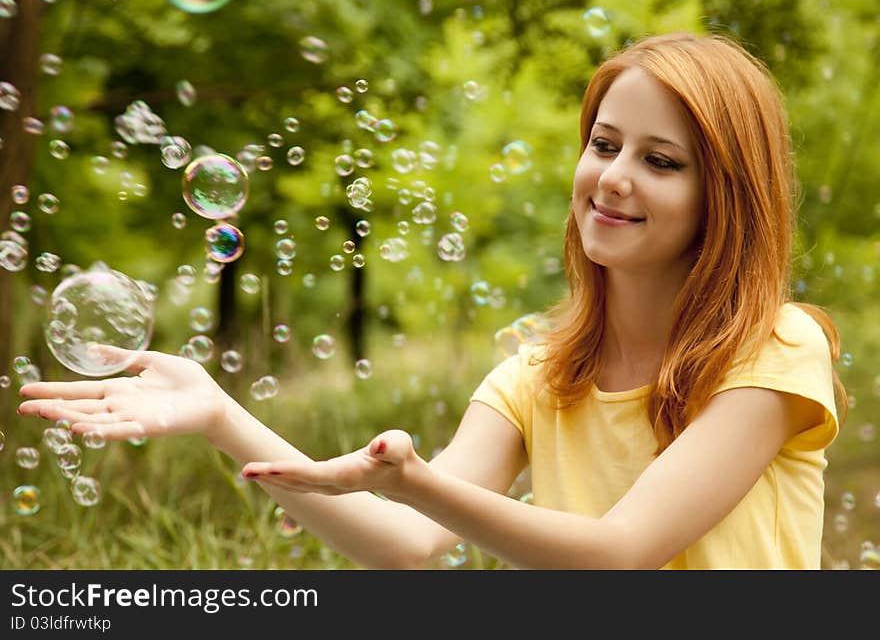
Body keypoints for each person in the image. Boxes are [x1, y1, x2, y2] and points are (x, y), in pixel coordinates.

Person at [18, 31, 848, 570]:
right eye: (604, 144)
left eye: (662, 161)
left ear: (726, 196)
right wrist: (219, 416)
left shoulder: (774, 348)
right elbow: (409, 544)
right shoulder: (540, 376)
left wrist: (411, 480)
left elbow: (621, 552)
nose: (615, 176)